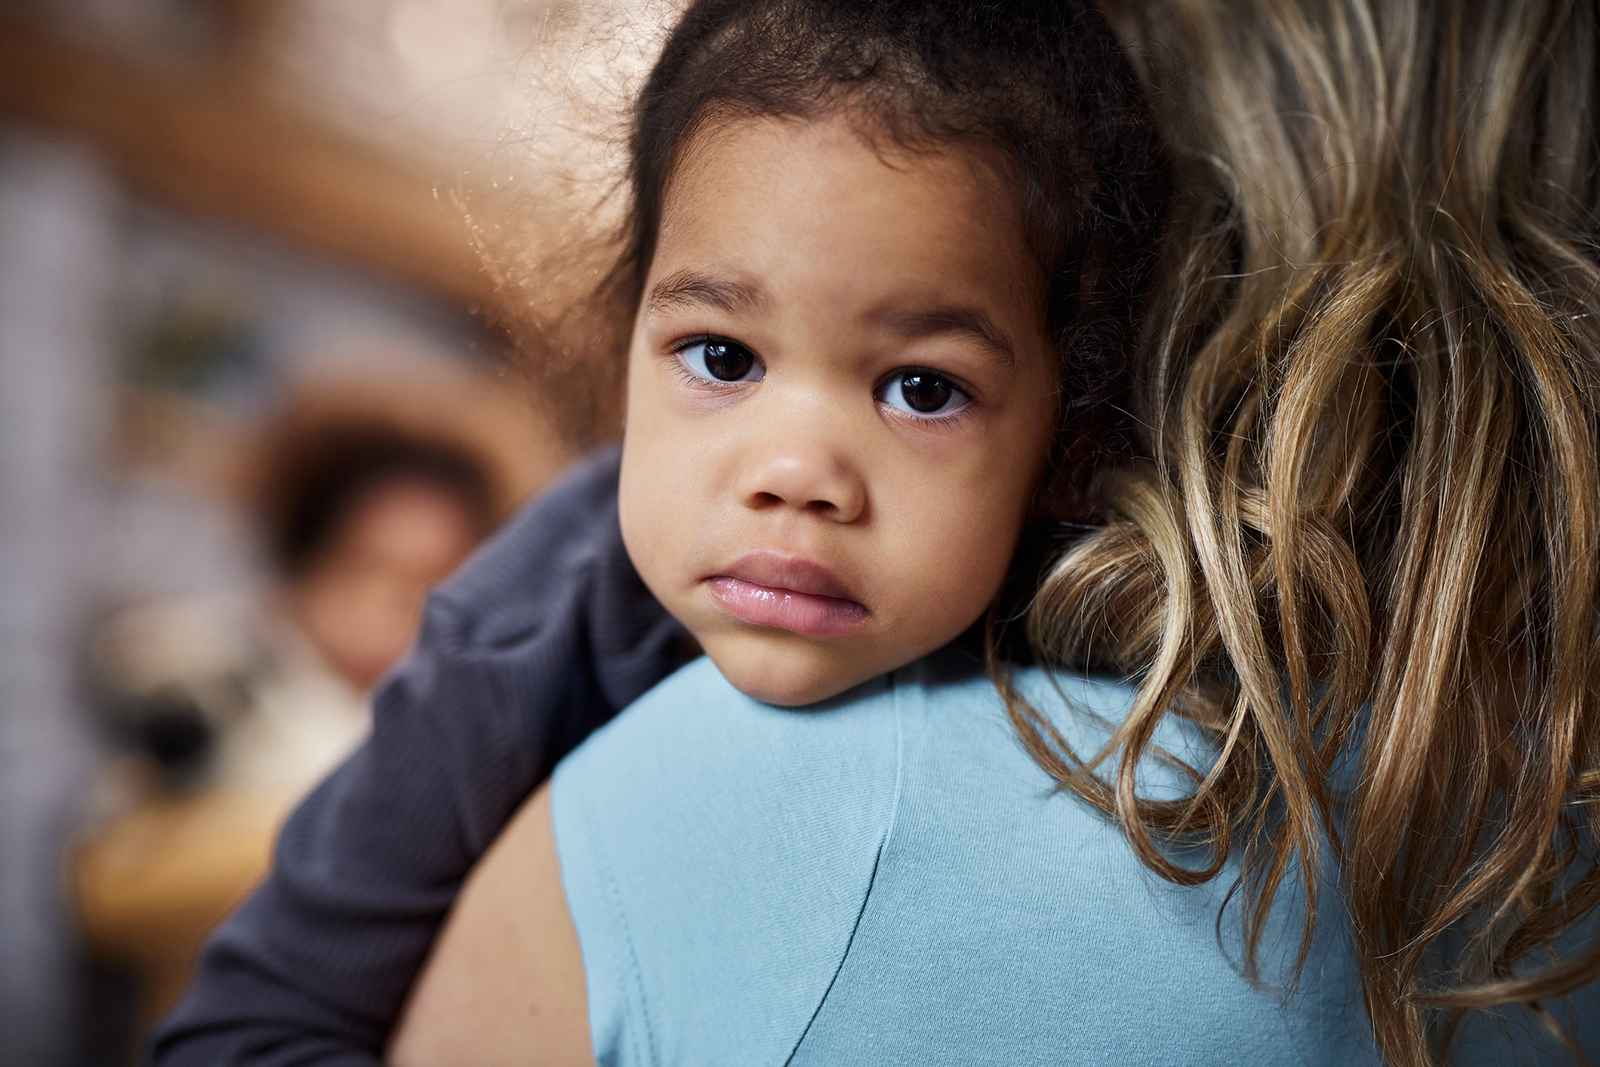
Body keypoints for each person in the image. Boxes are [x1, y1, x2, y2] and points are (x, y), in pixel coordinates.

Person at [152, 0, 1600, 1065]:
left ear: (1066, 448)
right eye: (719, 355)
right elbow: (250, 1025)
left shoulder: (1103, 627)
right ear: (630, 337)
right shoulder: (524, 622)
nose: (795, 469)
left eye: (921, 387)